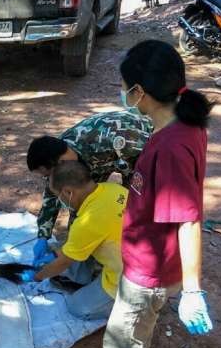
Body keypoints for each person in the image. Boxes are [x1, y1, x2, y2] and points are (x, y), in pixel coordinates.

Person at [65, 39, 214, 348]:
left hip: (151, 268)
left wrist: (192, 290)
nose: (123, 93)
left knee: (128, 329)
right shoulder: (180, 125)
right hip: (142, 258)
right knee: (127, 327)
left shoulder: (171, 147)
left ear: (140, 91)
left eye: (124, 86)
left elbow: (188, 219)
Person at [27, 110, 152, 267]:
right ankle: (86, 262)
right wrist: (43, 236)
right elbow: (53, 195)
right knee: (81, 217)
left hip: (138, 152)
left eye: (48, 174)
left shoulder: (111, 139)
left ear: (59, 164)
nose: (48, 178)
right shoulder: (58, 155)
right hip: (109, 162)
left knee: (133, 210)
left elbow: (144, 170)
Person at [20, 161, 127, 321]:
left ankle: (129, 305)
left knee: (77, 308)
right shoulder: (113, 189)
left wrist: (37, 276)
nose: (60, 201)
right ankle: (85, 277)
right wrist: (54, 254)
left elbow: (63, 262)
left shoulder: (86, 223)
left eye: (59, 196)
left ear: (68, 192)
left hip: (131, 278)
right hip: (138, 255)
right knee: (61, 249)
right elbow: (77, 245)